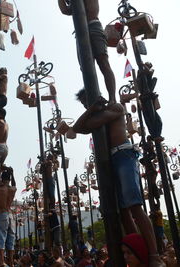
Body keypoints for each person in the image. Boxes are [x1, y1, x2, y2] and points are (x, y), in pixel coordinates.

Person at [72, 89, 165, 267]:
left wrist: (92, 112)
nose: (86, 104)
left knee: (134, 206)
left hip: (123, 154)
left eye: (87, 100)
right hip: (110, 162)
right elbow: (76, 128)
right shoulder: (94, 115)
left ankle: (154, 255)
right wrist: (91, 109)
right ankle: (137, 251)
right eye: (84, 102)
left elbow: (83, 126)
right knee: (123, 212)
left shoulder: (114, 107)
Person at [58, 0, 116, 104]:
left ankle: (112, 99)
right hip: (80, 30)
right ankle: (97, 98)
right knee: (86, 68)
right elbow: (65, 10)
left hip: (93, 25)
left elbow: (90, 10)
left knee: (103, 63)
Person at [0, 167, 17, 267]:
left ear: (1, 178)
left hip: (1, 214)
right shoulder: (12, 189)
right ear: (9, 179)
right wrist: (12, 174)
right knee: (11, 240)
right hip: (10, 214)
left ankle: (1, 262)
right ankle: (11, 263)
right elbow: (15, 185)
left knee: (0, 239)